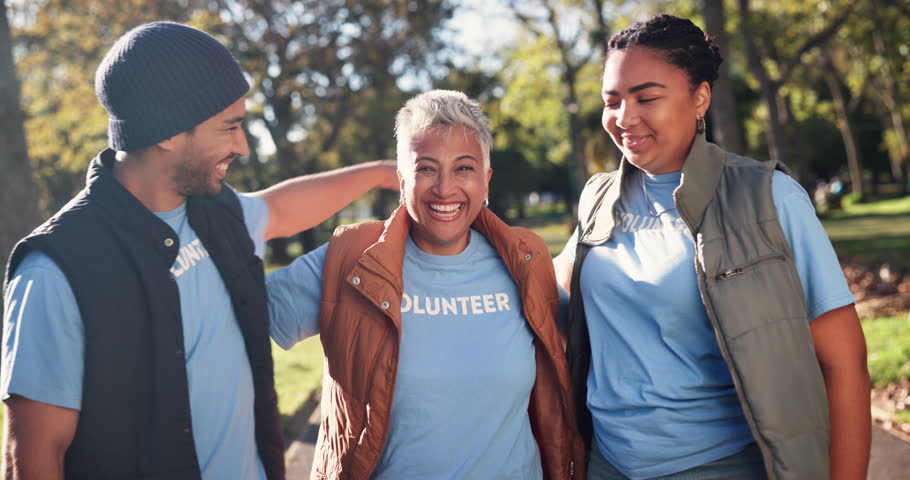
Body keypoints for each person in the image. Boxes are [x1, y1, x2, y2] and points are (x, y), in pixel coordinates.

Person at [1, 21, 396, 480]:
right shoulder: (55, 272)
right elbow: (32, 457)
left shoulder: (214, 212)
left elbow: (280, 207)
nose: (243, 146)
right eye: (229, 127)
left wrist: (385, 174)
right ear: (167, 133)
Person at [553, 14, 870, 480]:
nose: (624, 118)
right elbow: (543, 286)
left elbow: (846, 365)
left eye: (647, 97)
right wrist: (443, 197)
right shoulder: (598, 199)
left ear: (700, 97)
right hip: (609, 465)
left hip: (723, 465)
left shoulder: (769, 198)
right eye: (612, 100)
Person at [267, 89, 585, 479]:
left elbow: (591, 337)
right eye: (426, 168)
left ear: (486, 181)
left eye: (464, 168)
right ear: (402, 181)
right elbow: (232, 315)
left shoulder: (526, 261)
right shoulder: (348, 259)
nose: (444, 188)